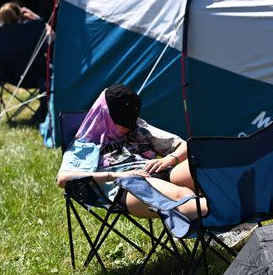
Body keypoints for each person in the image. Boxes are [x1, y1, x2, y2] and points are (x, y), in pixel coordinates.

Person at [56, 84, 206, 220]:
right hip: (129, 186)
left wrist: (169, 159)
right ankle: (220, 217)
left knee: (206, 169)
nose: (125, 128)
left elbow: (184, 145)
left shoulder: (138, 127)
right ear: (104, 114)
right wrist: (117, 175)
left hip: (157, 171)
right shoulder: (86, 144)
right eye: (120, 122)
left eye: (129, 122)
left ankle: (219, 211)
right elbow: (63, 179)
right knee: (182, 197)